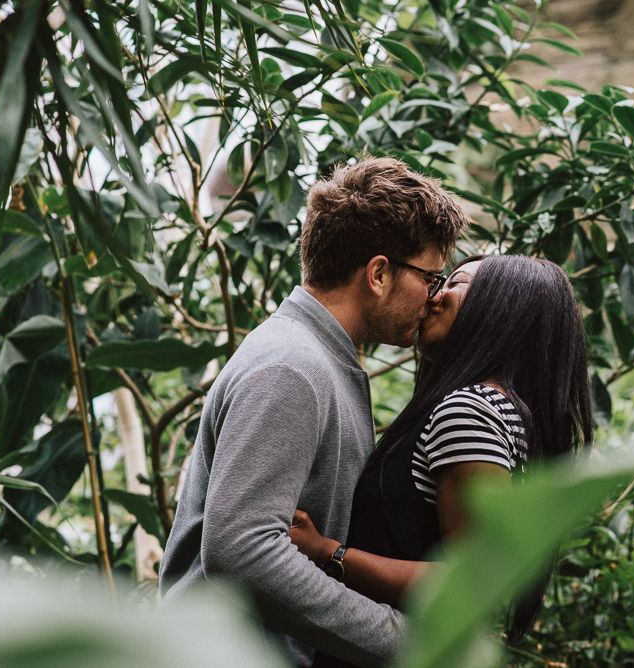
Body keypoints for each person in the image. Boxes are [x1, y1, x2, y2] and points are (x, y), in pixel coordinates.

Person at [158, 157, 471, 667]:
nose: (433, 297)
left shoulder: (317, 359)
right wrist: (402, 640)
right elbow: (242, 550)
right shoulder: (292, 367)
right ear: (378, 273)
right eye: (431, 278)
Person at [290, 254, 594, 665]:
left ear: (501, 309)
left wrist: (326, 551)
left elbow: (471, 582)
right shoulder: (502, 412)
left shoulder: (469, 411)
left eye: (455, 283)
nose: (434, 296)